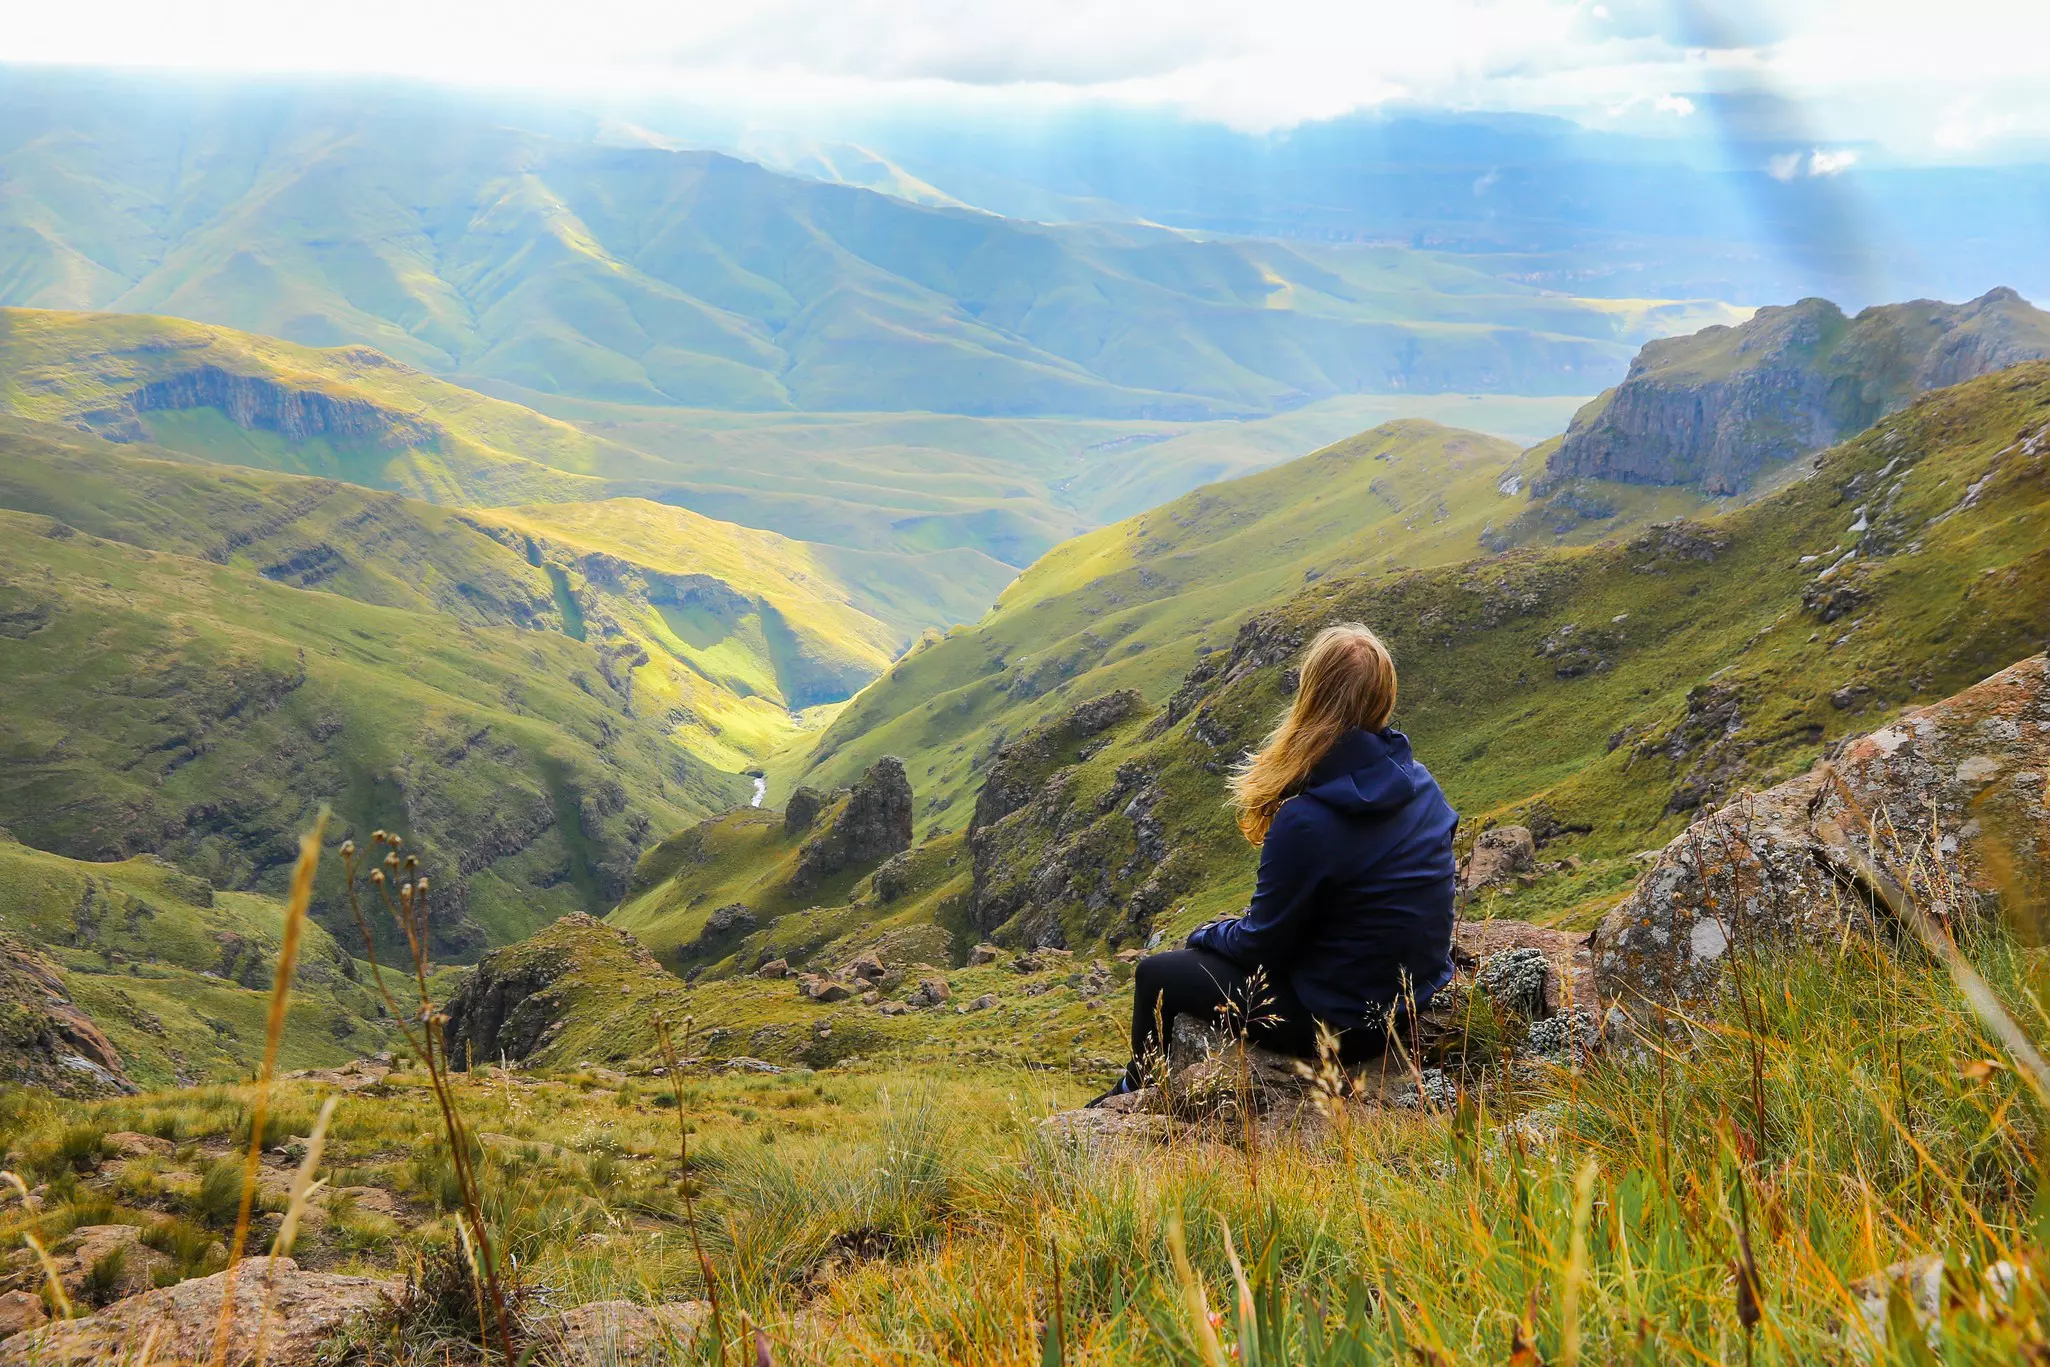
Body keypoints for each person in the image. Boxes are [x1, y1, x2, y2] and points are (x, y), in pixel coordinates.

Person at [1092, 622, 1458, 1104]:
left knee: (1156, 974)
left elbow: (1262, 946)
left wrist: (1208, 935)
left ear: (1312, 696)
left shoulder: (1307, 819)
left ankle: (1136, 1090)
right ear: (1382, 698)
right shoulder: (1421, 783)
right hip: (1411, 1002)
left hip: (1343, 1026)